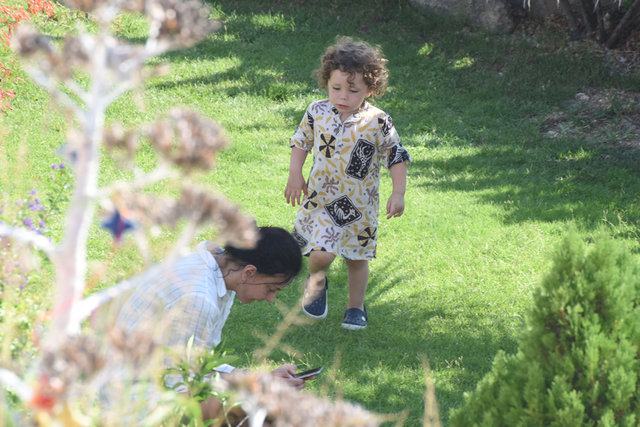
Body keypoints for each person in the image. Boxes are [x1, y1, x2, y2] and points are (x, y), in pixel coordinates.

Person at [113, 226, 307, 419]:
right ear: (249, 272)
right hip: (131, 398)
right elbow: (182, 384)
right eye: (271, 289)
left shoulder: (221, 270)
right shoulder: (200, 298)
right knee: (267, 413)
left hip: (149, 379)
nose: (271, 299)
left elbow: (199, 364)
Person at [284, 36, 411, 330]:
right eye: (336, 88)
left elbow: (396, 156)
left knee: (356, 259)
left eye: (353, 91)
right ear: (326, 82)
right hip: (322, 199)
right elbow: (301, 142)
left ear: (370, 89)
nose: (343, 96)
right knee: (320, 253)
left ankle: (355, 307)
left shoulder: (377, 121)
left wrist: (398, 193)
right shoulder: (317, 111)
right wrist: (295, 173)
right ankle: (317, 282)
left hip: (360, 206)